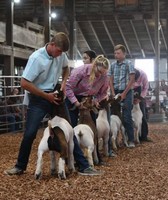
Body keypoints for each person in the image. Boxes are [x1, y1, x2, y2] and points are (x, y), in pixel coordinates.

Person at [4, 32, 101, 176]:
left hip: (55, 95)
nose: (60, 55)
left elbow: (66, 68)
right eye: (59, 51)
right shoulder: (36, 58)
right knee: (30, 133)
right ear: (52, 44)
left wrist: (63, 84)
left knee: (70, 129)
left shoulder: (61, 54)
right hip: (38, 97)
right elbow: (24, 83)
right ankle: (20, 166)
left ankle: (83, 166)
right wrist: (45, 96)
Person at [108, 44, 135, 148]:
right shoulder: (113, 65)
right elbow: (110, 79)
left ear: (124, 54)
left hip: (127, 92)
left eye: (118, 53)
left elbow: (132, 79)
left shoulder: (129, 64)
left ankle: (131, 139)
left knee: (127, 115)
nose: (116, 55)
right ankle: (112, 140)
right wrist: (113, 92)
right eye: (115, 53)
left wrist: (124, 93)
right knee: (113, 114)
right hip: (116, 91)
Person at [133, 68, 152, 142]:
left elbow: (145, 88)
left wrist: (140, 99)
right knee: (127, 114)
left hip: (139, 90)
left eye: (136, 79)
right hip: (129, 90)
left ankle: (144, 136)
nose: (134, 81)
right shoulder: (128, 73)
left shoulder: (143, 75)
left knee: (142, 115)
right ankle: (130, 137)